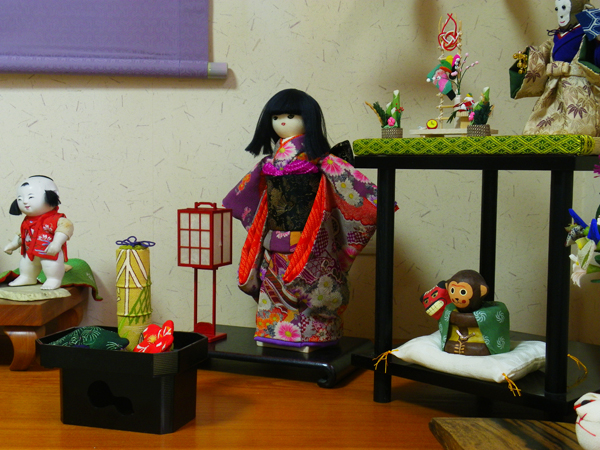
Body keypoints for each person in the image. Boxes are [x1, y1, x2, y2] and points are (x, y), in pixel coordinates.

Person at [223, 89, 378, 350]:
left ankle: (311, 337)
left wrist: (375, 204)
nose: (282, 122)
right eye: (276, 117)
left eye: (291, 116)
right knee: (273, 285)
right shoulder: (270, 162)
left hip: (309, 238)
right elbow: (246, 196)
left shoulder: (321, 161)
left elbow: (360, 195)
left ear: (309, 118)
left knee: (310, 290)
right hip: (274, 238)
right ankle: (274, 333)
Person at [510, 0, 600, 136]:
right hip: (553, 87)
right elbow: (543, 54)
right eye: (558, 9)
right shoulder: (556, 36)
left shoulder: (586, 29)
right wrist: (528, 59)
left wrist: (594, 27)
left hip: (577, 87)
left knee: (577, 125)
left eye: (564, 7)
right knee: (540, 125)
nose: (561, 14)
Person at [4, 175, 73, 290]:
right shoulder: (27, 221)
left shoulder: (56, 219)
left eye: (31, 197)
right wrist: (13, 244)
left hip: (48, 251)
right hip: (29, 250)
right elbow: (22, 234)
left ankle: (53, 279)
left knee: (50, 265)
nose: (25, 202)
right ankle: (27, 277)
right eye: (20, 198)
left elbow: (66, 228)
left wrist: (56, 242)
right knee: (26, 264)